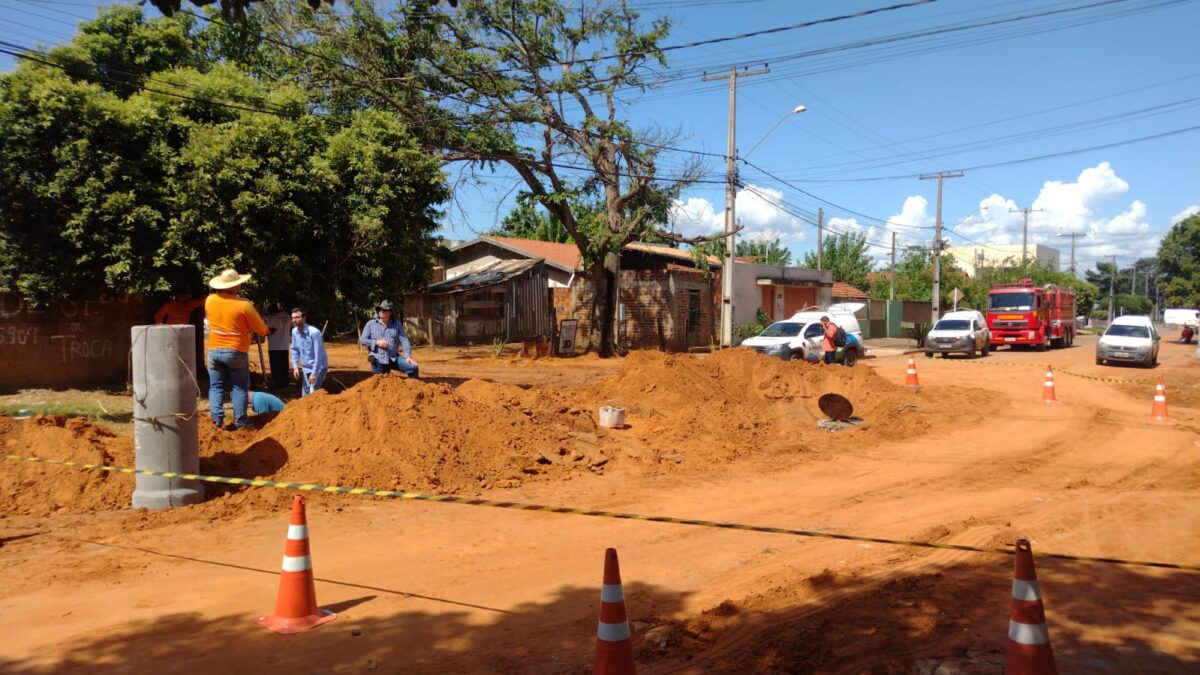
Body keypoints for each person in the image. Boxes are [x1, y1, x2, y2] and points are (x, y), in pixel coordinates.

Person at [205, 268, 270, 430]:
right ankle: (241, 422)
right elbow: (261, 329)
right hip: (235, 350)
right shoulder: (244, 305)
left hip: (213, 349)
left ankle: (216, 421)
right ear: (235, 287)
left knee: (216, 386)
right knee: (239, 387)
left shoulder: (210, 300)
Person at [359, 299, 419, 378]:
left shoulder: (396, 324)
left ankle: (412, 388)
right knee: (382, 379)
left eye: (384, 310)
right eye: (380, 310)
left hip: (393, 357)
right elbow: (362, 340)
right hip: (378, 359)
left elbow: (404, 340)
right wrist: (377, 342)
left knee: (413, 368)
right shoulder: (370, 324)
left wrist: (408, 356)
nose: (381, 311)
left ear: (390, 312)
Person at [290, 307, 329, 396]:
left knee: (312, 394)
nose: (294, 320)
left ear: (304, 318)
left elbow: (318, 355)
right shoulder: (294, 332)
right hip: (306, 368)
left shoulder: (314, 333)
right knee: (305, 396)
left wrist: (314, 373)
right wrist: (295, 367)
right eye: (292, 318)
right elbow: (295, 350)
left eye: (297, 317)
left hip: (318, 368)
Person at [263, 305, 292, 389]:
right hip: (285, 345)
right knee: (284, 364)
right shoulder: (287, 316)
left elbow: (270, 330)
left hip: (274, 346)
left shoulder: (271, 318)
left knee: (276, 366)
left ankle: (278, 384)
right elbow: (291, 327)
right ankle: (285, 382)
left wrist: (264, 332)